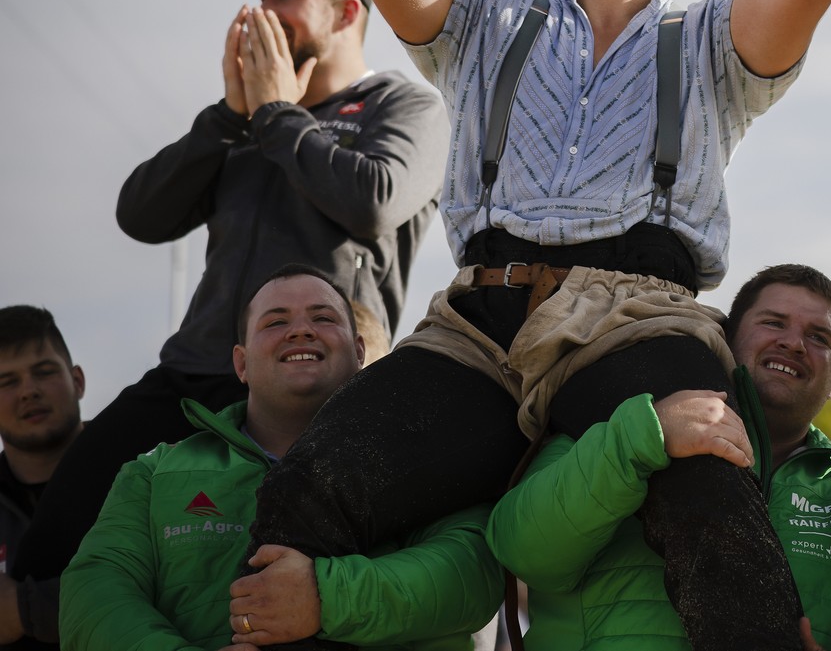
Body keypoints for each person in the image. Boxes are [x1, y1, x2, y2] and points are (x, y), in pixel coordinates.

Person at [247, 0, 831, 651]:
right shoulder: (486, 18)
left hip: (641, 314)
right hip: (481, 321)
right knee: (313, 485)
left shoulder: (710, 43)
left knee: (711, 485)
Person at [10, 0, 448, 618]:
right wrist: (228, 117)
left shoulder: (402, 104)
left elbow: (376, 199)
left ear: (345, 14)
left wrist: (278, 116)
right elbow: (140, 214)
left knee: (266, 573)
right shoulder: (239, 125)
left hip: (312, 382)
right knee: (54, 536)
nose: (264, 14)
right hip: (197, 372)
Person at [59, 265, 502, 651]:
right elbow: (93, 594)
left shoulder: (428, 457)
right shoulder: (153, 473)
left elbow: (470, 574)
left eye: (323, 318)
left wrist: (327, 598)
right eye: (275, 322)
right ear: (241, 363)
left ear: (361, 353)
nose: (300, 330)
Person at [488, 263, 831, 651]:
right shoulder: (614, 415)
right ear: (724, 339)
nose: (794, 343)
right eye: (774, 323)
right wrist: (649, 436)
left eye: (818, 337)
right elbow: (523, 551)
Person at [0, 307, 85, 650]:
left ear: (77, 381)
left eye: (44, 371)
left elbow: (170, 591)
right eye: (7, 382)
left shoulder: (143, 476)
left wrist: (24, 610)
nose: (28, 391)